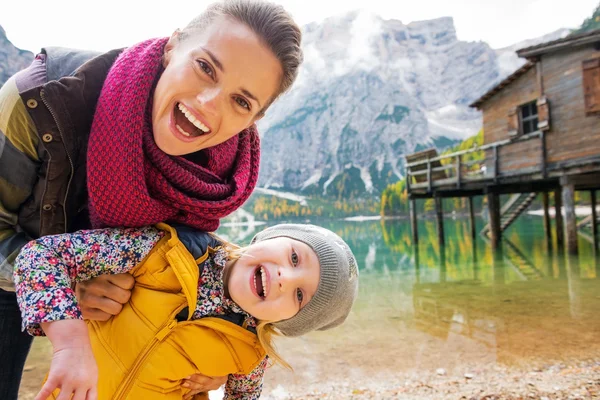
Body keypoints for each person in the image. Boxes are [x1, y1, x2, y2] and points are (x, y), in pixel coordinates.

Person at [0, 0, 303, 397]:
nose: (208, 104)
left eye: (242, 101)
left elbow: (179, 271)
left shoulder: (220, 179)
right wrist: (71, 293)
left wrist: (215, 365)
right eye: (206, 67)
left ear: (254, 119)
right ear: (173, 46)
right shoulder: (42, 101)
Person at [13, 223, 359, 400]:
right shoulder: (164, 251)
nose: (286, 277)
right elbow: (41, 256)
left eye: (300, 296)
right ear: (267, 237)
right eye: (296, 257)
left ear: (288, 321)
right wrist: (70, 345)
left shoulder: (251, 353)